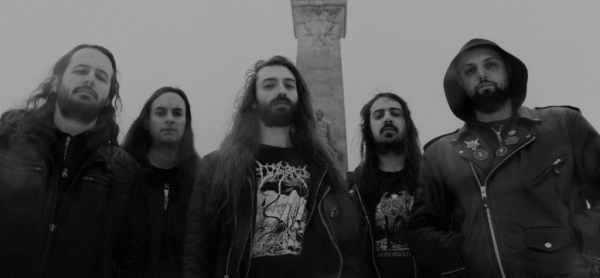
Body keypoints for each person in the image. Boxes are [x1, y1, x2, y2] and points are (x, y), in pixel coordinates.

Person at [408, 38, 600, 277]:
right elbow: (422, 228)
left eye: (490, 65)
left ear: (508, 70)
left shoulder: (563, 124)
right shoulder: (440, 154)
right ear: (460, 83)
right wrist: (464, 254)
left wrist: (581, 243)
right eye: (470, 71)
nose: (482, 74)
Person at [184, 55, 368, 278]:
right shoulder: (217, 167)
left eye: (289, 85)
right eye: (269, 85)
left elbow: (348, 250)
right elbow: (197, 249)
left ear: (299, 98)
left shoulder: (324, 171)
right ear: (253, 101)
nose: (281, 91)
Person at [0, 44, 147, 278]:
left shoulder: (125, 172)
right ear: (55, 82)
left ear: (108, 96)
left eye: (101, 77)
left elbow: (130, 257)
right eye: (81, 71)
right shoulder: (8, 141)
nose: (90, 79)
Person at [347, 93, 432, 278]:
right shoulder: (353, 189)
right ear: (368, 129)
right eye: (379, 115)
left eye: (395, 113)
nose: (387, 119)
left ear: (407, 124)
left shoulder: (432, 180)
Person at [122, 87, 201, 278]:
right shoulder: (123, 175)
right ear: (146, 122)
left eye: (177, 113)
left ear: (186, 123)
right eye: (160, 113)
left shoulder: (201, 182)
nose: (169, 119)